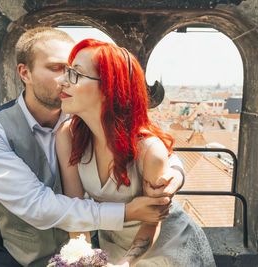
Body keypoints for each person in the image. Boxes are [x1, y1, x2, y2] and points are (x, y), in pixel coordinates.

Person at [0, 27, 185, 267]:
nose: (64, 80)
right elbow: (38, 206)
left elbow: (144, 140)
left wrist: (174, 172)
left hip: (105, 250)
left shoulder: (82, 114)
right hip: (27, 256)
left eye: (72, 71)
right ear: (24, 73)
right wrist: (126, 212)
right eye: (56, 68)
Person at [56, 39, 216, 266]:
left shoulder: (150, 151)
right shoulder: (67, 136)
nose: (62, 81)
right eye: (67, 71)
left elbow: (152, 222)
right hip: (112, 247)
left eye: (76, 74)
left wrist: (125, 264)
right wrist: (83, 259)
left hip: (165, 252)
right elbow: (76, 210)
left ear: (107, 88)